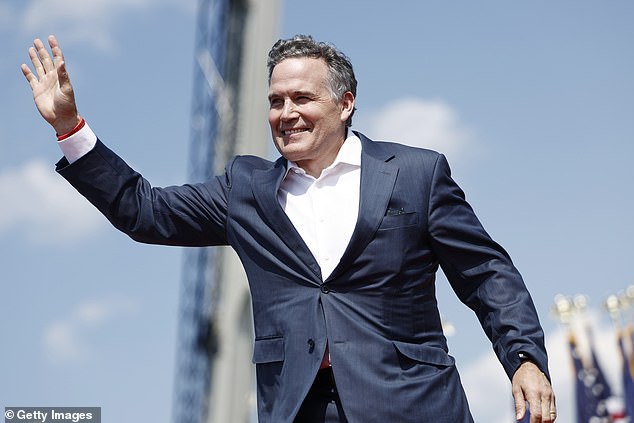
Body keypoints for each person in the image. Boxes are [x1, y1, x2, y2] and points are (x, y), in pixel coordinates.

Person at [22, 34, 556, 423]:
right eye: (276, 101)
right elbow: (144, 211)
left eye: (302, 99)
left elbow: (486, 272)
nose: (286, 113)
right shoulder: (245, 189)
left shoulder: (416, 174)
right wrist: (70, 128)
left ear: (345, 103)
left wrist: (525, 358)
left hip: (410, 402)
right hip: (295, 407)